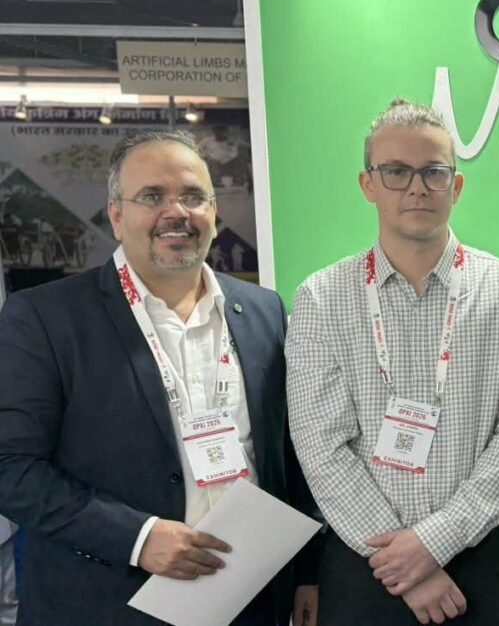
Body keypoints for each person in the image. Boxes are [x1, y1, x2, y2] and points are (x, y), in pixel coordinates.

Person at [0, 131, 321, 625]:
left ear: (214, 211)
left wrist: (307, 572)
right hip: (108, 603)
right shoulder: (46, 318)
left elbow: (290, 453)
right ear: (116, 215)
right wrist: (138, 537)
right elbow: (11, 467)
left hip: (251, 600)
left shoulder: (264, 311)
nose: (177, 212)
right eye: (152, 197)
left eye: (193, 196)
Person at [286, 98, 499, 626]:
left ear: (456, 185)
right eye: (396, 172)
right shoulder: (322, 297)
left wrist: (434, 541)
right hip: (366, 561)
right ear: (368, 184)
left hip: (479, 557)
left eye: (433, 172)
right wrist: (407, 563)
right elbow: (320, 444)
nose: (416, 188)